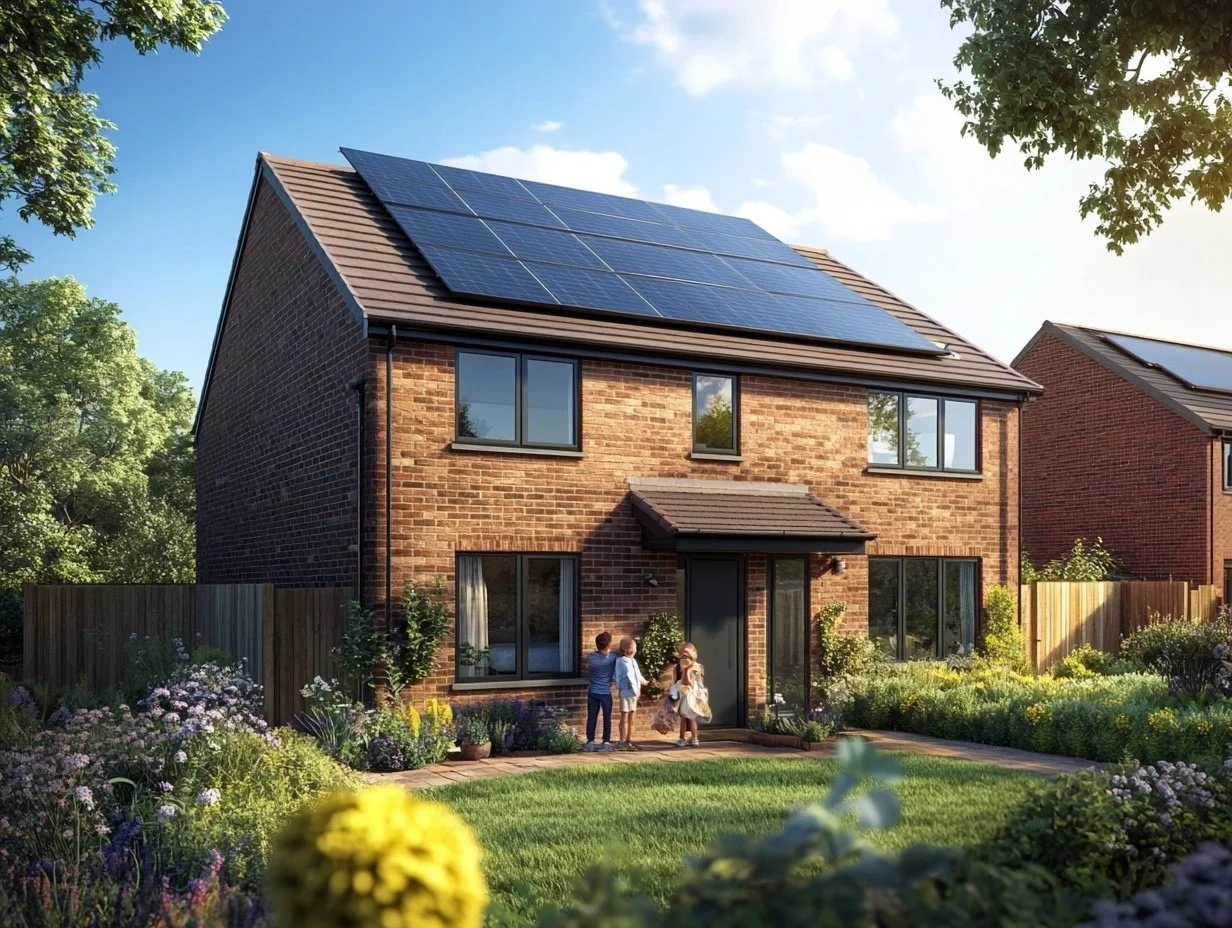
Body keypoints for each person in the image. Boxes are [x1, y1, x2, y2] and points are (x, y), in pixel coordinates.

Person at [584, 631, 618, 752]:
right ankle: (606, 742)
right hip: (605, 692)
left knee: (592, 717)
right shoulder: (612, 657)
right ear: (608, 644)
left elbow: (588, 668)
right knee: (607, 717)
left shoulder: (592, 658)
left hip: (593, 691)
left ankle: (590, 741)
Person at [614, 637, 648, 751]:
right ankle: (622, 740)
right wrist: (636, 690)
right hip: (626, 692)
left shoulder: (633, 661)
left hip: (634, 693)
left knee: (632, 717)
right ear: (627, 649)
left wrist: (644, 682)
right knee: (624, 716)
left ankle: (629, 739)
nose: (636, 650)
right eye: (634, 648)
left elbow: (637, 675)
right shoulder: (622, 661)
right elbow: (628, 676)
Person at [672, 642, 709, 747]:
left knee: (684, 718)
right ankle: (694, 738)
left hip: (686, 695)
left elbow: (677, 683)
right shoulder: (696, 667)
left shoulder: (693, 668)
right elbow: (700, 682)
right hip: (689, 695)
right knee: (691, 718)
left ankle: (682, 739)